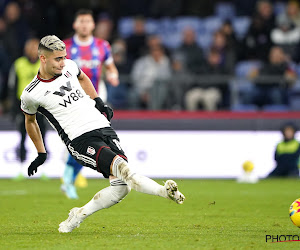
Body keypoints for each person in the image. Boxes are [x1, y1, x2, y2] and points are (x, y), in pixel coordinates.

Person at [20, 35, 185, 233]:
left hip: (102, 126)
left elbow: (82, 77)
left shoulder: (70, 66)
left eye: (64, 57)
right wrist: (41, 153)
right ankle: (164, 191)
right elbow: (30, 121)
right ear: (43, 58)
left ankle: (78, 215)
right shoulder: (31, 93)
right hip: (79, 139)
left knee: (121, 187)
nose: (63, 62)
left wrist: (98, 101)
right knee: (124, 170)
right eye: (58, 59)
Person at [62, 9, 120, 199]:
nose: (85, 24)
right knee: (83, 140)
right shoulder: (65, 46)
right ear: (75, 25)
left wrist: (113, 75)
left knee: (93, 139)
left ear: (93, 25)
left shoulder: (103, 46)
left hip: (95, 98)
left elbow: (110, 67)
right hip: (72, 99)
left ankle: (70, 176)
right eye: (81, 21)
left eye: (88, 21)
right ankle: (70, 176)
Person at [8, 38, 47, 179]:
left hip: (41, 106)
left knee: (42, 136)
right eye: (30, 47)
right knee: (23, 137)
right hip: (22, 106)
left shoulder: (44, 65)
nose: (32, 50)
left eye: (35, 48)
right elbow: (12, 86)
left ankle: (43, 169)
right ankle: (21, 167)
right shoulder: (19, 64)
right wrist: (12, 109)